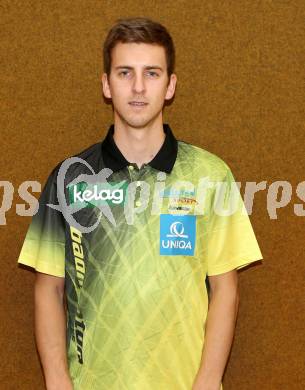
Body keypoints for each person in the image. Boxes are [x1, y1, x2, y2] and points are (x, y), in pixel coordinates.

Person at [17, 17, 263, 390]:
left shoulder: (210, 176)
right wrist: (57, 381)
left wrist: (208, 382)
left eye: (151, 73)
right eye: (124, 72)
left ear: (170, 85)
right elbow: (48, 287)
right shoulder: (71, 180)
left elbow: (225, 288)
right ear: (106, 84)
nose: (137, 87)